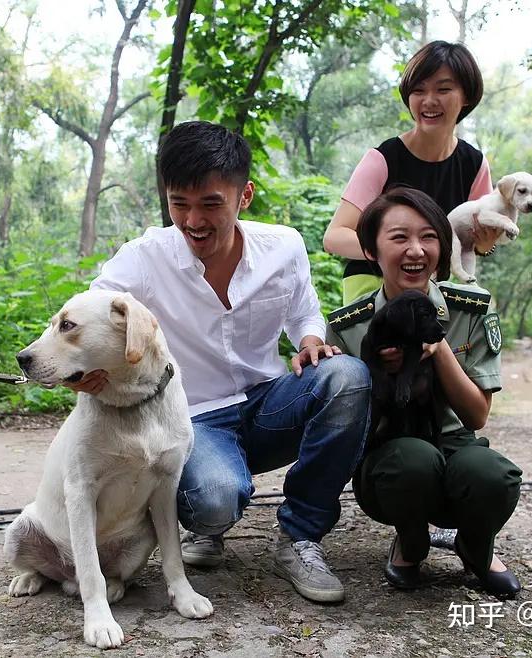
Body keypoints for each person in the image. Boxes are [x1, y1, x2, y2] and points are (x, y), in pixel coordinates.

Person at [74, 120, 371, 604]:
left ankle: (301, 536)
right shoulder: (145, 258)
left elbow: (303, 311)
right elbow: (89, 313)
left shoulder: (284, 246)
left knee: (348, 377)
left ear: (244, 195)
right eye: (179, 204)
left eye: (211, 203)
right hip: (192, 419)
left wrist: (311, 338)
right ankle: (206, 518)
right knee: (213, 500)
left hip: (268, 403)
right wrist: (81, 368)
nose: (193, 220)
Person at [326, 187, 522, 599]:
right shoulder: (350, 326)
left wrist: (437, 348)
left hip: (453, 441)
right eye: (399, 238)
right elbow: (351, 422)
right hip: (392, 451)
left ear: (444, 245)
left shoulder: (470, 309)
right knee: (412, 462)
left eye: (429, 237)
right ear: (370, 249)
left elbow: (476, 417)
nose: (415, 250)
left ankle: (476, 544)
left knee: (491, 475)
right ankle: (411, 540)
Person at [323, 40, 496, 305]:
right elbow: (335, 237)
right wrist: (394, 251)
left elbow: (471, 242)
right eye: (419, 90)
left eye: (443, 89)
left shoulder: (474, 165)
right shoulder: (382, 159)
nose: (429, 101)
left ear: (467, 96)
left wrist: (484, 245)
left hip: (434, 294)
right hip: (372, 290)